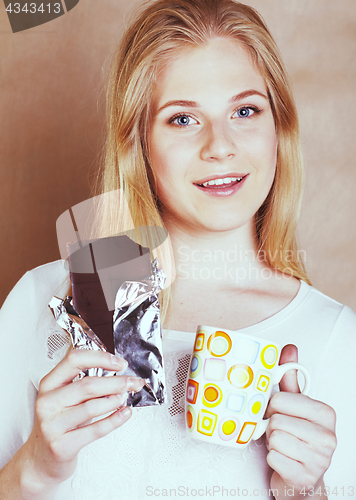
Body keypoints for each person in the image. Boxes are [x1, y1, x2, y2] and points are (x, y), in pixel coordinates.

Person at [0, 0, 355, 499]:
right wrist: (35, 469)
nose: (220, 146)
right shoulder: (40, 299)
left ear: (280, 128)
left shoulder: (336, 338)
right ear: (138, 143)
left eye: (245, 110)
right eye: (183, 119)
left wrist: (308, 494)